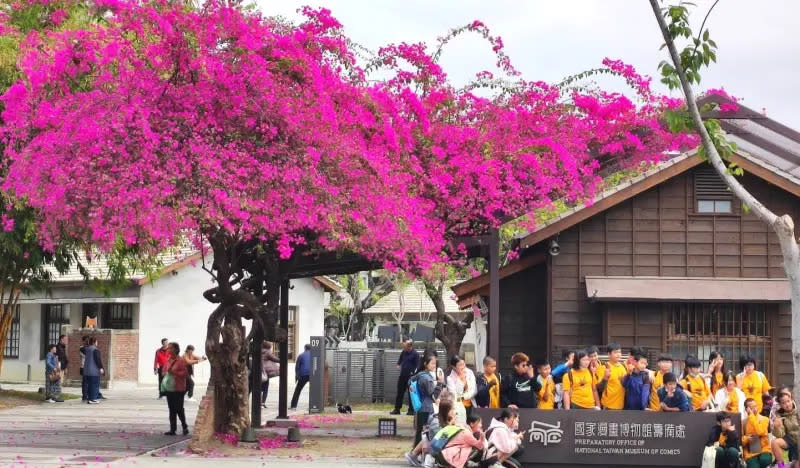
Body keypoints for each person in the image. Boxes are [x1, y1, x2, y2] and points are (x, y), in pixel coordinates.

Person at [162, 342, 189, 435]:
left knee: (179, 408)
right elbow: (164, 370)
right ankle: (172, 429)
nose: (168, 350)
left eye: (170, 348)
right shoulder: (168, 359)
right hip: (170, 388)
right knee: (171, 409)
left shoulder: (181, 360)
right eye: (168, 348)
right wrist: (165, 373)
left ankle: (184, 426)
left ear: (175, 350)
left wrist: (175, 373)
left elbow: (185, 374)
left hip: (179, 388)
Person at [410, 353, 438, 448]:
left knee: (420, 430)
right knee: (424, 431)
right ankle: (417, 452)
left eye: (435, 363)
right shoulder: (426, 377)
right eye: (432, 363)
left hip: (422, 406)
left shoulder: (420, 375)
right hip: (426, 407)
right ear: (426, 364)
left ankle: (416, 451)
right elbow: (431, 391)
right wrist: (439, 383)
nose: (434, 366)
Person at [771, 392, 800, 468]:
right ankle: (781, 466)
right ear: (780, 405)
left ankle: (794, 462)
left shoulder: (798, 411)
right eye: (783, 403)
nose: (787, 404)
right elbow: (781, 435)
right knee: (774, 442)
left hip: (799, 441)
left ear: (791, 400)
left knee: (797, 466)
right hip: (790, 439)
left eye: (788, 401)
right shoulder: (779, 415)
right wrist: (777, 427)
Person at [743, 398, 773, 468]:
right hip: (750, 453)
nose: (755, 409)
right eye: (752, 407)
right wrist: (746, 438)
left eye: (755, 406)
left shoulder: (764, 419)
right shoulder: (743, 422)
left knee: (764, 460)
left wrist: (751, 416)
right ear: (746, 409)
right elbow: (740, 440)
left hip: (764, 450)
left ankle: (782, 466)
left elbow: (760, 431)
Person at [392, 340, 420, 416]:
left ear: (410, 346)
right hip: (402, 376)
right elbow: (400, 359)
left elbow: (417, 366)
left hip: (411, 377)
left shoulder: (415, 354)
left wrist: (414, 374)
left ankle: (411, 410)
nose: (404, 348)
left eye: (405, 347)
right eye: (403, 347)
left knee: (411, 393)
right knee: (400, 392)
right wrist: (398, 364)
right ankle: (397, 409)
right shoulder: (403, 352)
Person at [596, 343, 627, 410]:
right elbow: (599, 388)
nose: (618, 354)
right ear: (609, 354)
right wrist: (605, 377)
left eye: (619, 352)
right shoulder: (603, 368)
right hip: (608, 405)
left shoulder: (623, 367)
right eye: (615, 352)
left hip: (621, 404)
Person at [446, 355, 476, 424]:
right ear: (453, 367)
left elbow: (473, 390)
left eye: (463, 364)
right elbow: (454, 396)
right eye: (460, 365)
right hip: (458, 408)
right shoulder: (450, 378)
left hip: (471, 405)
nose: (463, 367)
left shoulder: (469, 372)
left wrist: (463, 397)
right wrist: (462, 381)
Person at [290, 344, 312, 411]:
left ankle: (293, 406)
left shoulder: (301, 355)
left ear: (305, 348)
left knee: (297, 390)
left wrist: (297, 377)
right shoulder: (313, 355)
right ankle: (313, 406)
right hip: (312, 374)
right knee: (313, 391)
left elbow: (297, 367)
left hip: (303, 375)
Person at [83, 336, 105, 404]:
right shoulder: (95, 350)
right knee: (94, 385)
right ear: (95, 342)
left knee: (89, 385)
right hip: (94, 371)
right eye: (97, 341)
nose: (97, 343)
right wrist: (101, 368)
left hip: (86, 371)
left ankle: (90, 398)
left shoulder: (87, 349)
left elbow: (82, 349)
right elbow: (98, 360)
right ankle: (93, 398)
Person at [258, 342, 279, 408]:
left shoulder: (258, 351)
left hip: (258, 371)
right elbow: (275, 359)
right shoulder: (267, 352)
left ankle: (258, 402)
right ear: (269, 347)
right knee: (265, 389)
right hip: (265, 372)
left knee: (258, 388)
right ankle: (262, 403)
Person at [79, 336, 89, 402]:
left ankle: (87, 395)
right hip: (84, 367)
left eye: (88, 340)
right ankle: (84, 396)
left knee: (88, 382)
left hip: (88, 367)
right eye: (85, 340)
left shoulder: (88, 348)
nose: (87, 342)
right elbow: (86, 354)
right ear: (83, 341)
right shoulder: (82, 348)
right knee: (85, 382)